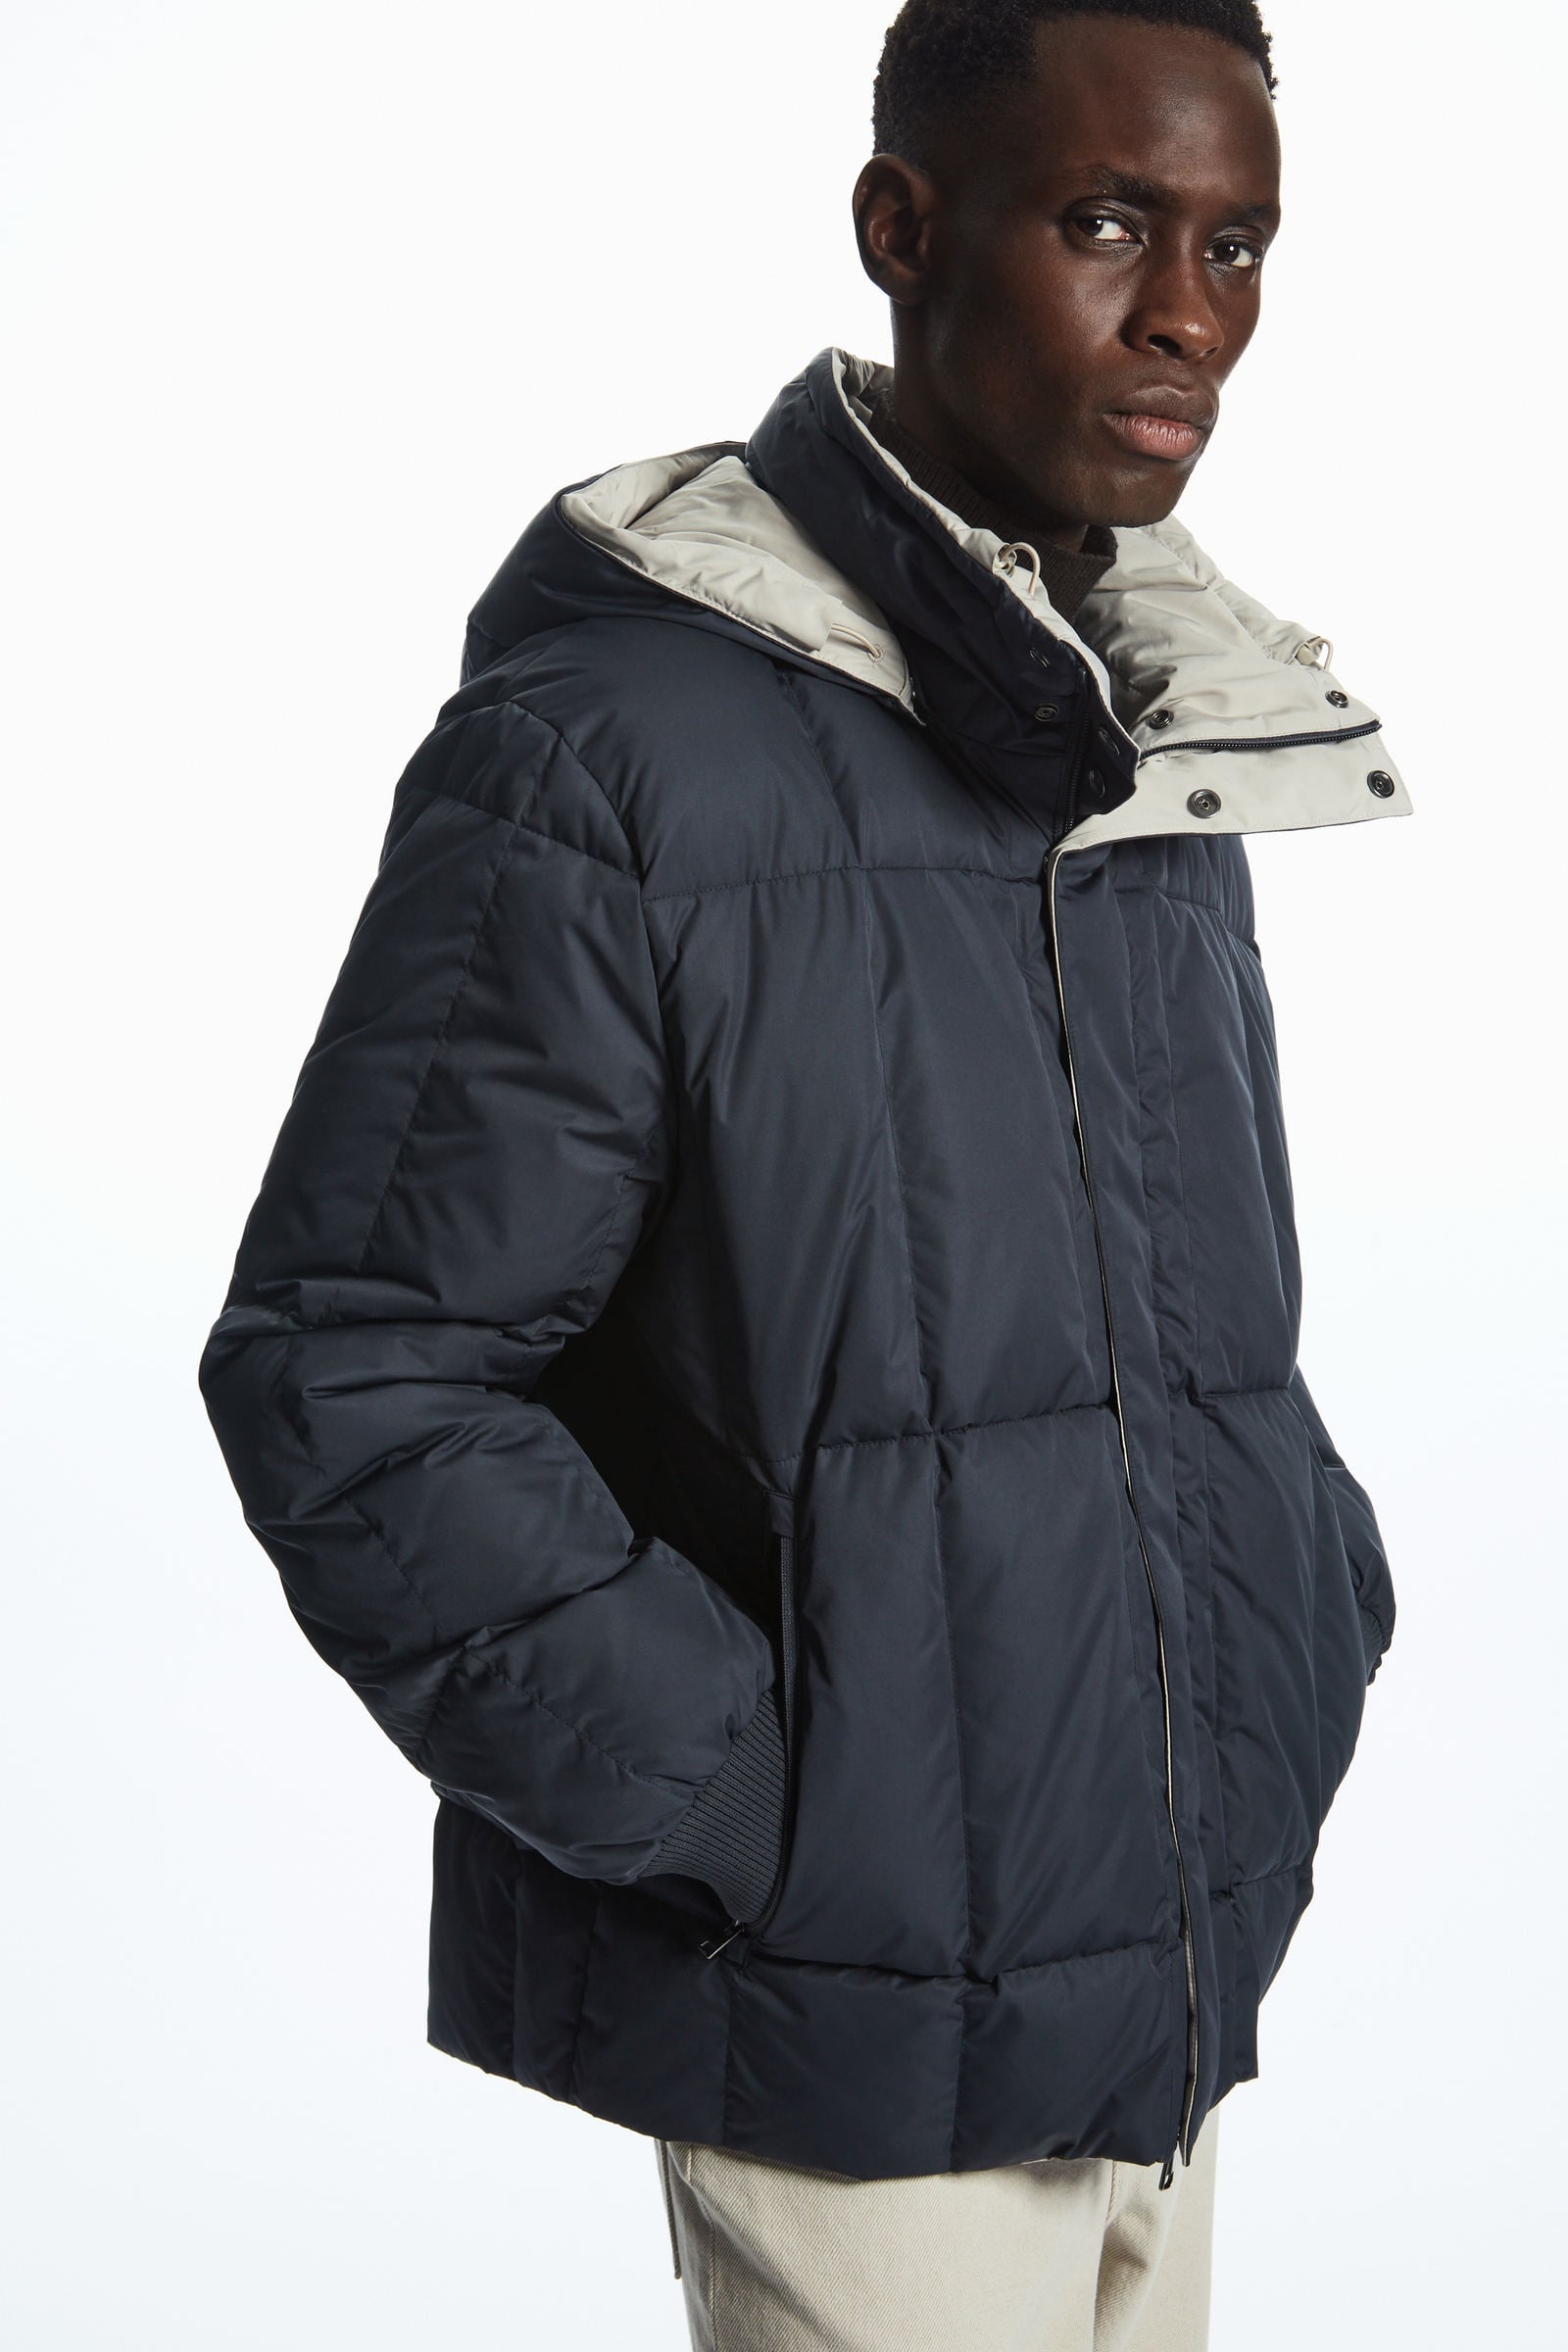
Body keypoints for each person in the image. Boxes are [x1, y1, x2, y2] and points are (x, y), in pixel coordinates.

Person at [198, 2, 1408, 2343]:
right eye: (1105, 224)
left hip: (1162, 1964)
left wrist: (1295, 1614)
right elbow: (351, 1372)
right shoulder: (613, 754)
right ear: (899, 226)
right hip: (846, 2035)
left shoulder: (1149, 740)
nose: (1186, 313)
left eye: (1237, 245)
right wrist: (753, 1798)